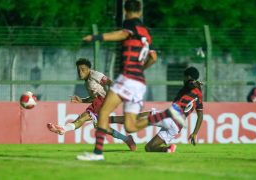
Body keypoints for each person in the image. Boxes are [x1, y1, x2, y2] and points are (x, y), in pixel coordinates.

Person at [77, 0, 196, 161]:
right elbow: (153, 57)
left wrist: (98, 37)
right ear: (140, 12)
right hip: (139, 81)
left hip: (127, 78)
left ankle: (97, 154)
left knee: (103, 112)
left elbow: (122, 34)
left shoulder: (130, 24)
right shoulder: (146, 32)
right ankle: (168, 113)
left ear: (125, 11)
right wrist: (141, 69)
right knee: (130, 126)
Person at [47, 58, 136, 151]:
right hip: (99, 101)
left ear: (89, 69)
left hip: (105, 100)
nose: (80, 72)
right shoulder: (87, 83)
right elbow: (93, 98)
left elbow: (110, 82)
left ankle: (63, 129)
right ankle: (127, 139)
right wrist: (81, 100)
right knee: (100, 126)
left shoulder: (95, 75)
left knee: (84, 117)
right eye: (78, 70)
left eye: (83, 70)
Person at [109, 67, 203, 153]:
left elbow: (189, 84)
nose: (183, 79)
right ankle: (168, 149)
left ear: (188, 77)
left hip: (170, 117)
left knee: (135, 118)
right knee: (149, 148)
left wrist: (192, 82)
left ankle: (108, 119)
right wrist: (195, 133)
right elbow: (200, 115)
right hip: (177, 127)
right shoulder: (199, 95)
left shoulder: (188, 86)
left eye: (184, 77)